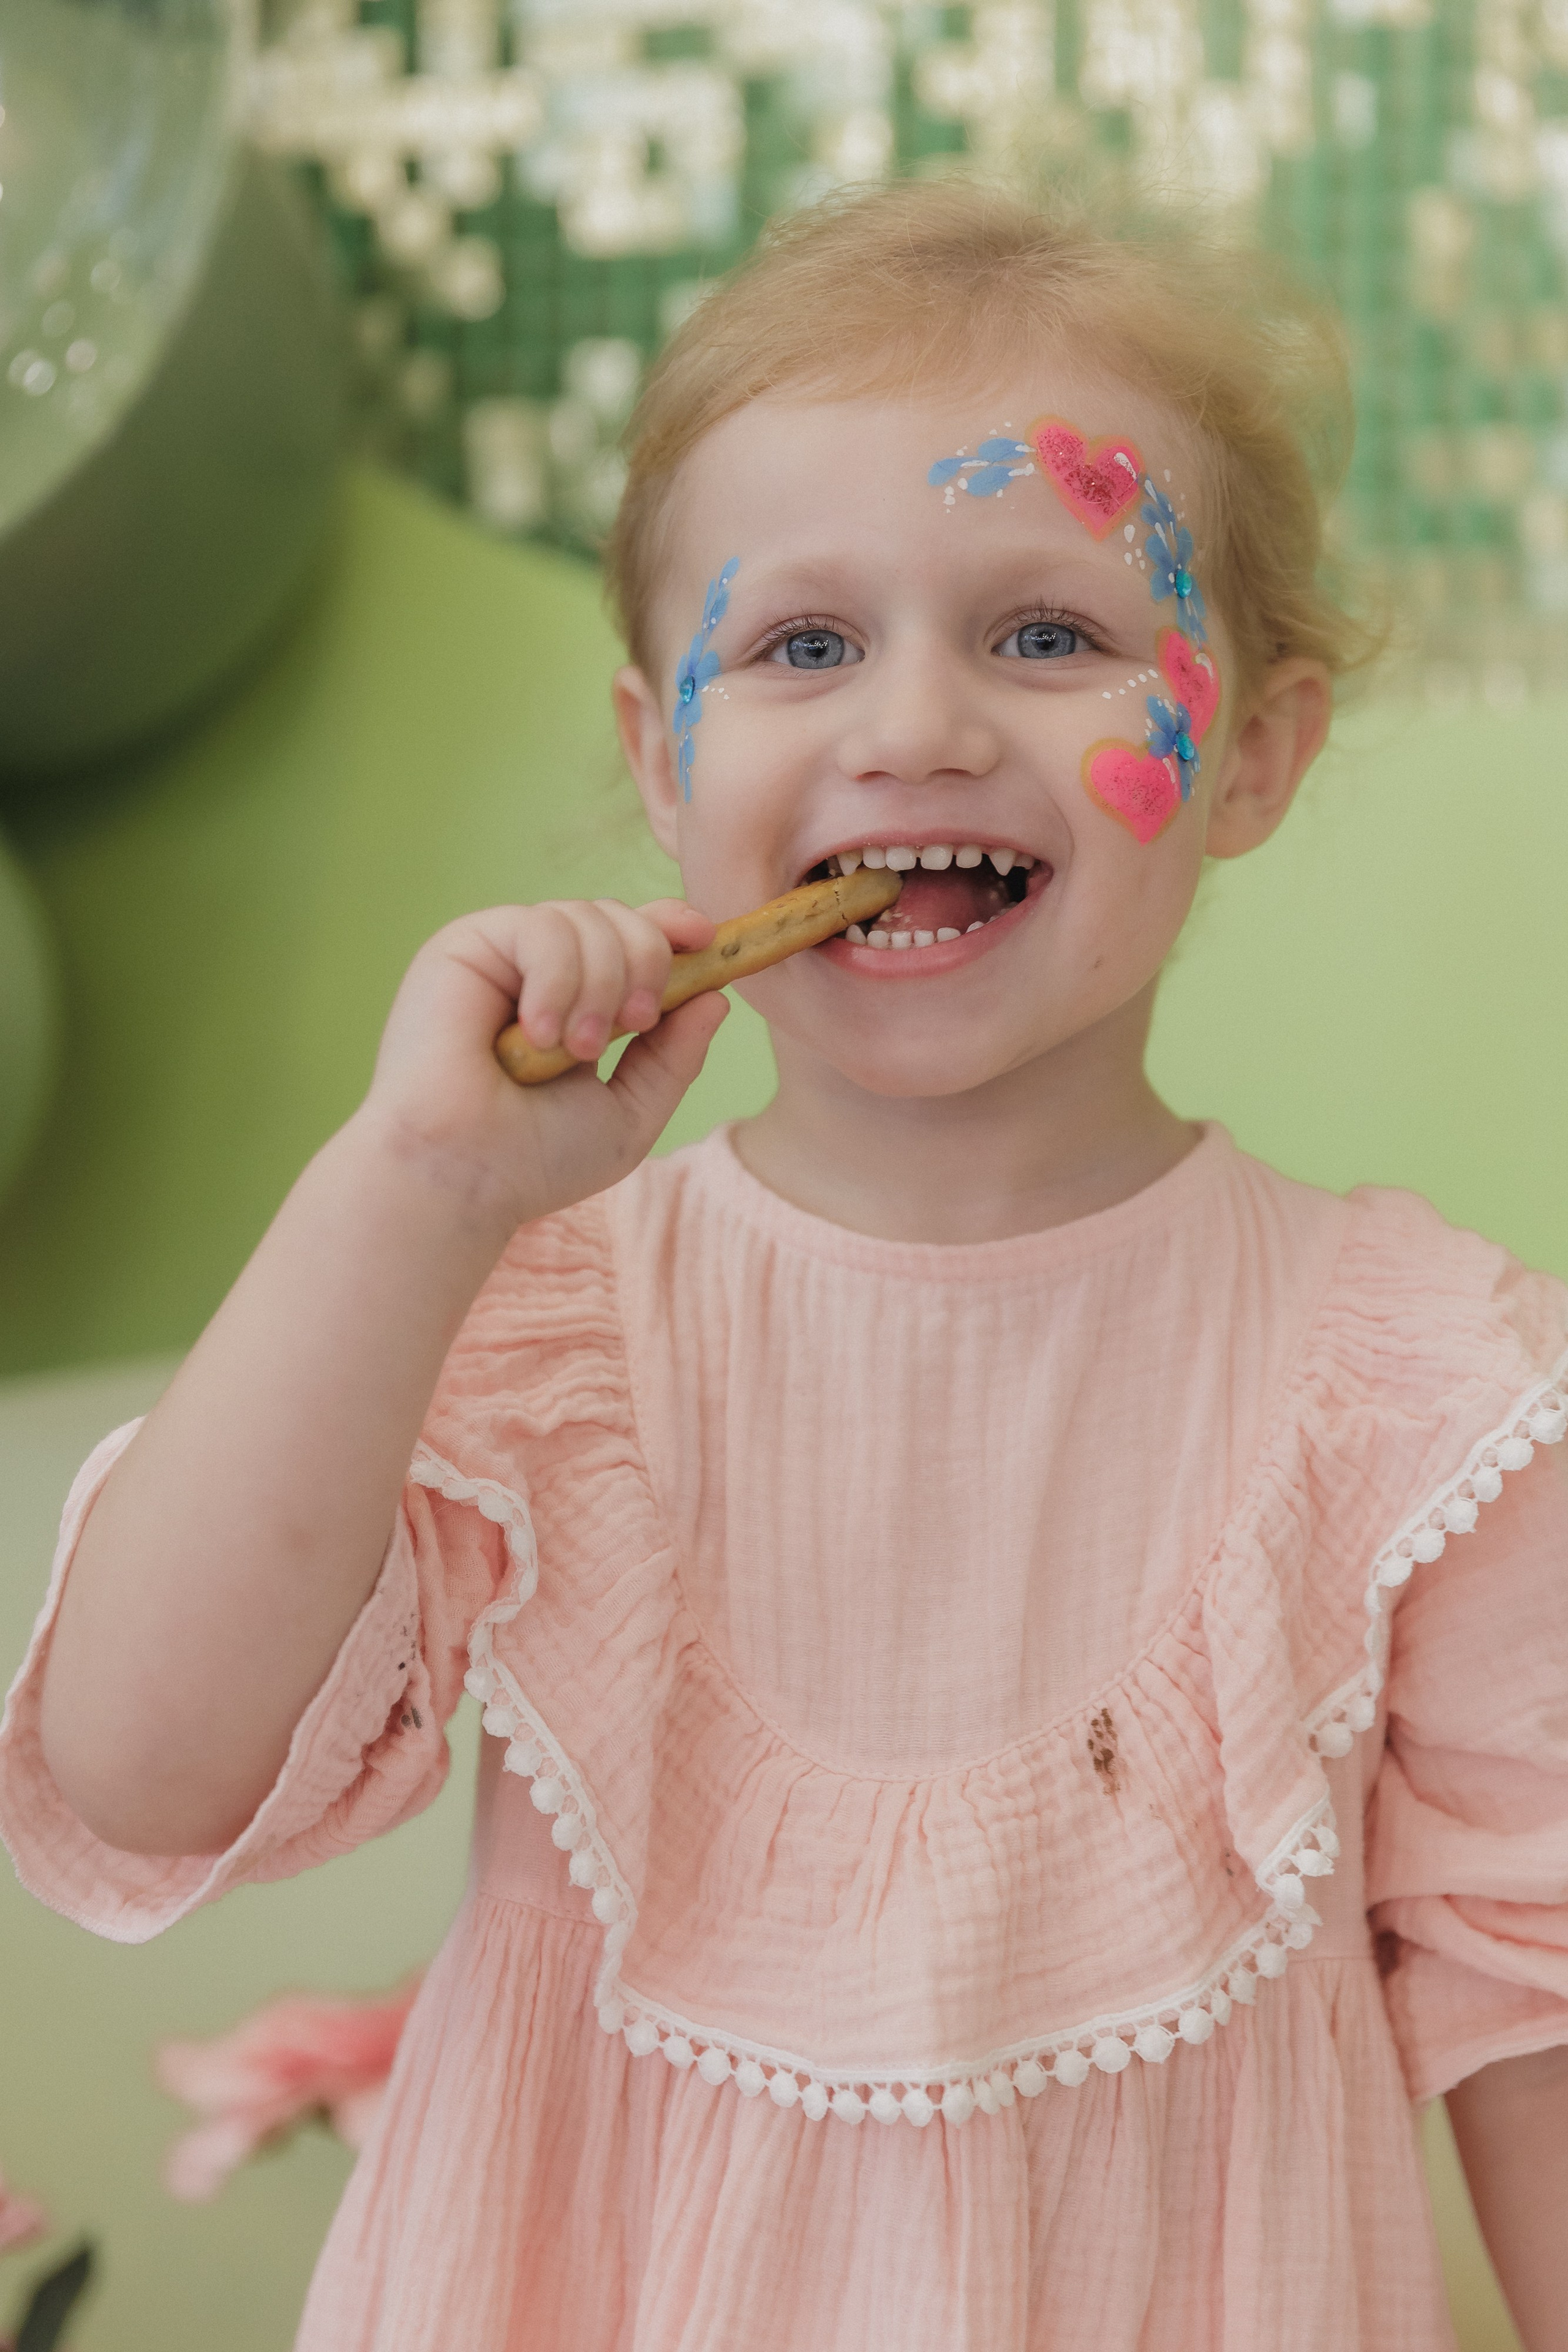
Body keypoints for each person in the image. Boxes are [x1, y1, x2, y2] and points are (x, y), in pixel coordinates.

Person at [4, 180, 1567, 2352]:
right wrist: (408, 1194)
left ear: (1254, 757)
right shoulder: (525, 1312)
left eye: (1046, 635)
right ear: (666, 758)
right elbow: (133, 1768)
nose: (914, 724)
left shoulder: (1436, 1401)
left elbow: (1540, 1993)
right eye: (805, 645)